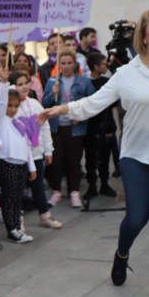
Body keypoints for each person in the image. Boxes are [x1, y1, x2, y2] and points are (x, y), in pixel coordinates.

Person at [41, 7, 149, 297]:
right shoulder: (127, 73)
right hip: (137, 156)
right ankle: (121, 254)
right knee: (137, 217)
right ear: (144, 34)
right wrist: (63, 109)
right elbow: (94, 103)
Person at [42, 49, 96, 208]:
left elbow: (92, 104)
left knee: (74, 160)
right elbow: (44, 103)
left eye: (69, 63)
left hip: (75, 128)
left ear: (75, 64)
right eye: (63, 63)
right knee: (56, 161)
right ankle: (57, 191)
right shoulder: (53, 81)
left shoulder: (84, 82)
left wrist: (80, 117)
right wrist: (52, 94)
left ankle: (74, 192)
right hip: (56, 127)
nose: (66, 66)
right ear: (58, 65)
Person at [11, 71, 62, 229]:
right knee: (17, 189)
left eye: (26, 82)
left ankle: (45, 215)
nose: (24, 86)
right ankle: (17, 220)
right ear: (12, 86)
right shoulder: (10, 106)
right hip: (18, 155)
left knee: (38, 186)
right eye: (19, 84)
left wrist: (48, 149)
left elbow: (45, 125)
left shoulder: (34, 103)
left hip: (36, 153)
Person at [0, 73, 37, 244]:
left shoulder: (19, 122)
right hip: (7, 164)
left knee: (18, 198)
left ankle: (17, 227)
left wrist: (31, 167)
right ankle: (11, 229)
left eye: (15, 106)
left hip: (21, 165)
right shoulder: (1, 120)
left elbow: (27, 146)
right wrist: (4, 83)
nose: (12, 109)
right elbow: (1, 103)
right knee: (9, 199)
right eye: (9, 106)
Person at [82, 52, 118, 199]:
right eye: (103, 63)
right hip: (91, 127)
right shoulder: (86, 83)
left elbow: (115, 101)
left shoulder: (107, 81)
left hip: (107, 124)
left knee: (105, 157)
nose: (106, 65)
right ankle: (92, 186)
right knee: (91, 159)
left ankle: (104, 184)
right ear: (96, 67)